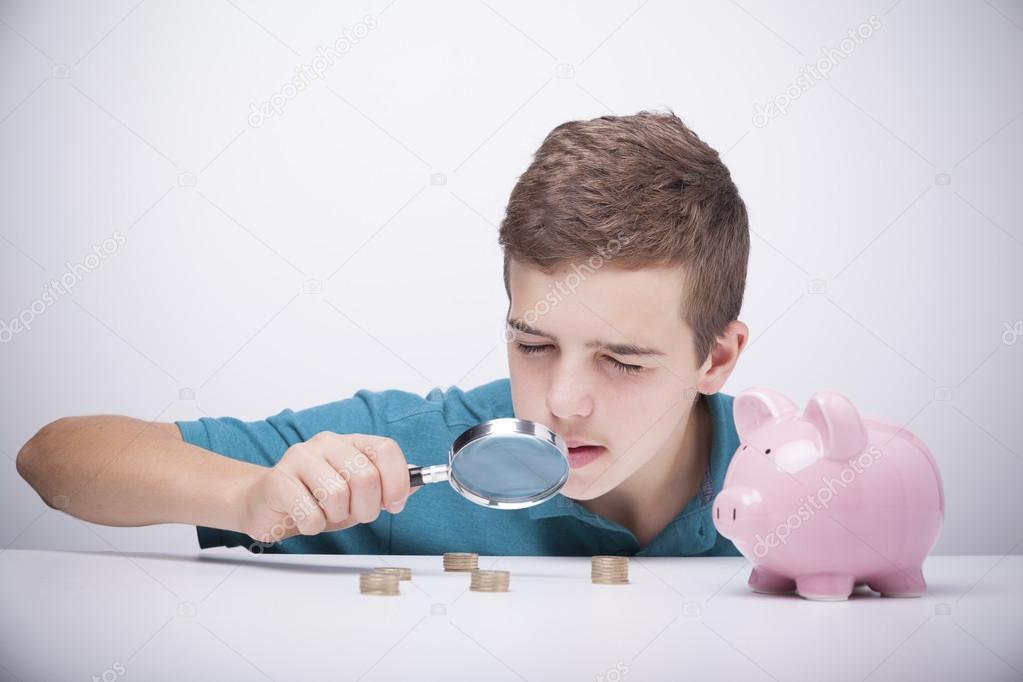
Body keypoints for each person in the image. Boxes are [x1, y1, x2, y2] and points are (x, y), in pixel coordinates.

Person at [17, 110, 750, 557]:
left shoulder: (801, 472)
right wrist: (249, 500)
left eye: (621, 361)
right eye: (532, 345)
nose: (561, 402)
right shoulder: (421, 449)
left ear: (715, 357)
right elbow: (55, 458)